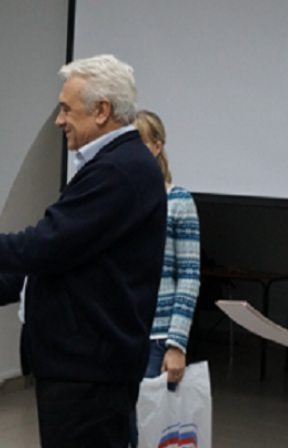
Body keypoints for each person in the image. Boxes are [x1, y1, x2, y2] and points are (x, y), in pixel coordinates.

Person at [0, 54, 167, 448]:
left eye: (66, 109)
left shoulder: (117, 171)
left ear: (102, 111)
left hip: (89, 376)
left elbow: (38, 248)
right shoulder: (118, 164)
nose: (59, 120)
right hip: (86, 370)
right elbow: (57, 256)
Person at [128, 110, 201, 448]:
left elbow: (189, 276)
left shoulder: (178, 201)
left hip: (157, 339)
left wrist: (176, 344)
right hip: (119, 336)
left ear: (157, 147)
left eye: (140, 143)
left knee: (151, 433)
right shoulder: (117, 200)